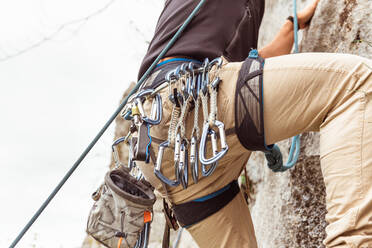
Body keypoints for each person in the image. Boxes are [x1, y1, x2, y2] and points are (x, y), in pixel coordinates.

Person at [133, 0, 372, 247]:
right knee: (355, 83)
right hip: (188, 102)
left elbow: (249, 80)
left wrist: (291, 27)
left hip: (158, 144)